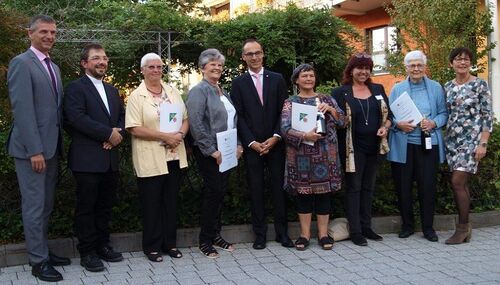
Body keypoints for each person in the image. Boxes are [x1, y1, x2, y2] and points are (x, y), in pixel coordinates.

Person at [6, 15, 70, 282]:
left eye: (53, 32)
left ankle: (42, 250)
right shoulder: (21, 63)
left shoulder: (52, 67)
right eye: (44, 31)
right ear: (29, 33)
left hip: (51, 148)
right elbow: (22, 110)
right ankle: (37, 261)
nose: (50, 36)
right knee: (34, 206)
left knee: (45, 205)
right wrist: (34, 150)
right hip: (32, 152)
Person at [64, 43, 125, 271]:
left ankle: (102, 246)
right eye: (97, 58)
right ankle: (87, 252)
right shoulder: (75, 88)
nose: (102, 61)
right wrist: (108, 133)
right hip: (87, 160)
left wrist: (117, 133)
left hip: (110, 159)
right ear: (84, 63)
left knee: (105, 206)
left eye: (105, 58)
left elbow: (121, 117)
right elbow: (76, 119)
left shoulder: (112, 89)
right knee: (86, 208)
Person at [126, 53, 189, 262]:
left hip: (173, 156)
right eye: (151, 67)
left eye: (159, 67)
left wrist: (179, 135)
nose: (155, 70)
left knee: (171, 203)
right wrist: (164, 136)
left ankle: (170, 244)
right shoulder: (137, 95)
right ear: (142, 70)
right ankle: (151, 246)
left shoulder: (172, 91)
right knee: (151, 204)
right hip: (150, 158)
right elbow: (134, 128)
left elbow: (185, 119)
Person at [230, 38, 293, 250]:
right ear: (243, 57)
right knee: (255, 190)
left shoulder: (277, 79)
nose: (254, 57)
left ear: (263, 54)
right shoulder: (238, 83)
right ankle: (260, 235)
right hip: (253, 147)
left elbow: (283, 111)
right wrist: (251, 142)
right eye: (249, 54)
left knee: (278, 189)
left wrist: (276, 136)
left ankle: (282, 234)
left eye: (257, 53)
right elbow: (238, 115)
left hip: (276, 144)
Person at [281, 64, 345, 251]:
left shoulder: (327, 99)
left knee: (324, 195)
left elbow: (343, 121)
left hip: (326, 155)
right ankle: (304, 235)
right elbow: (284, 129)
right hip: (301, 157)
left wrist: (332, 110)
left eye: (311, 75)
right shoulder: (290, 102)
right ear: (296, 80)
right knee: (304, 196)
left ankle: (324, 235)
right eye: (304, 76)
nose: (308, 79)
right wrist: (304, 136)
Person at [186, 49, 243, 258]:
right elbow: (196, 123)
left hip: (227, 151)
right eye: (212, 64)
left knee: (220, 193)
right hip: (210, 152)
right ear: (202, 68)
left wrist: (238, 145)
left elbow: (232, 120)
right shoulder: (199, 91)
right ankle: (205, 240)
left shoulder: (222, 90)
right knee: (213, 194)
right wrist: (211, 151)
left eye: (219, 64)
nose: (217, 67)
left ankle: (215, 235)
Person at [387, 50, 448, 242]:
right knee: (403, 187)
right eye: (412, 65)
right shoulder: (397, 88)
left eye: (419, 65)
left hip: (428, 143)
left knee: (427, 187)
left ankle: (428, 228)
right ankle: (407, 225)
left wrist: (433, 123)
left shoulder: (436, 87)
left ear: (424, 67)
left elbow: (444, 113)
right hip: (404, 145)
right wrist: (398, 124)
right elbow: (389, 116)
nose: (416, 68)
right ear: (406, 68)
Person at [332, 53, 391, 246]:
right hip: (352, 148)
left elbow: (389, 115)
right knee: (354, 188)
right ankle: (356, 231)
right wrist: (342, 120)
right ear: (351, 70)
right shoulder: (341, 92)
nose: (364, 72)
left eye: (367, 68)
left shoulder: (378, 88)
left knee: (368, 187)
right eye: (360, 68)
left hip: (374, 146)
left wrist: (386, 127)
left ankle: (367, 227)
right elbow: (335, 121)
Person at [443, 47, 493, 244]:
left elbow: (487, 116)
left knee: (457, 181)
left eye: (465, 59)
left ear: (470, 63)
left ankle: (462, 227)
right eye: (457, 59)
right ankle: (466, 227)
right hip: (452, 141)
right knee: (460, 184)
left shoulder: (480, 84)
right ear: (451, 64)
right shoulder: (447, 86)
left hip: (471, 141)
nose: (462, 62)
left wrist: (483, 143)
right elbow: (444, 113)